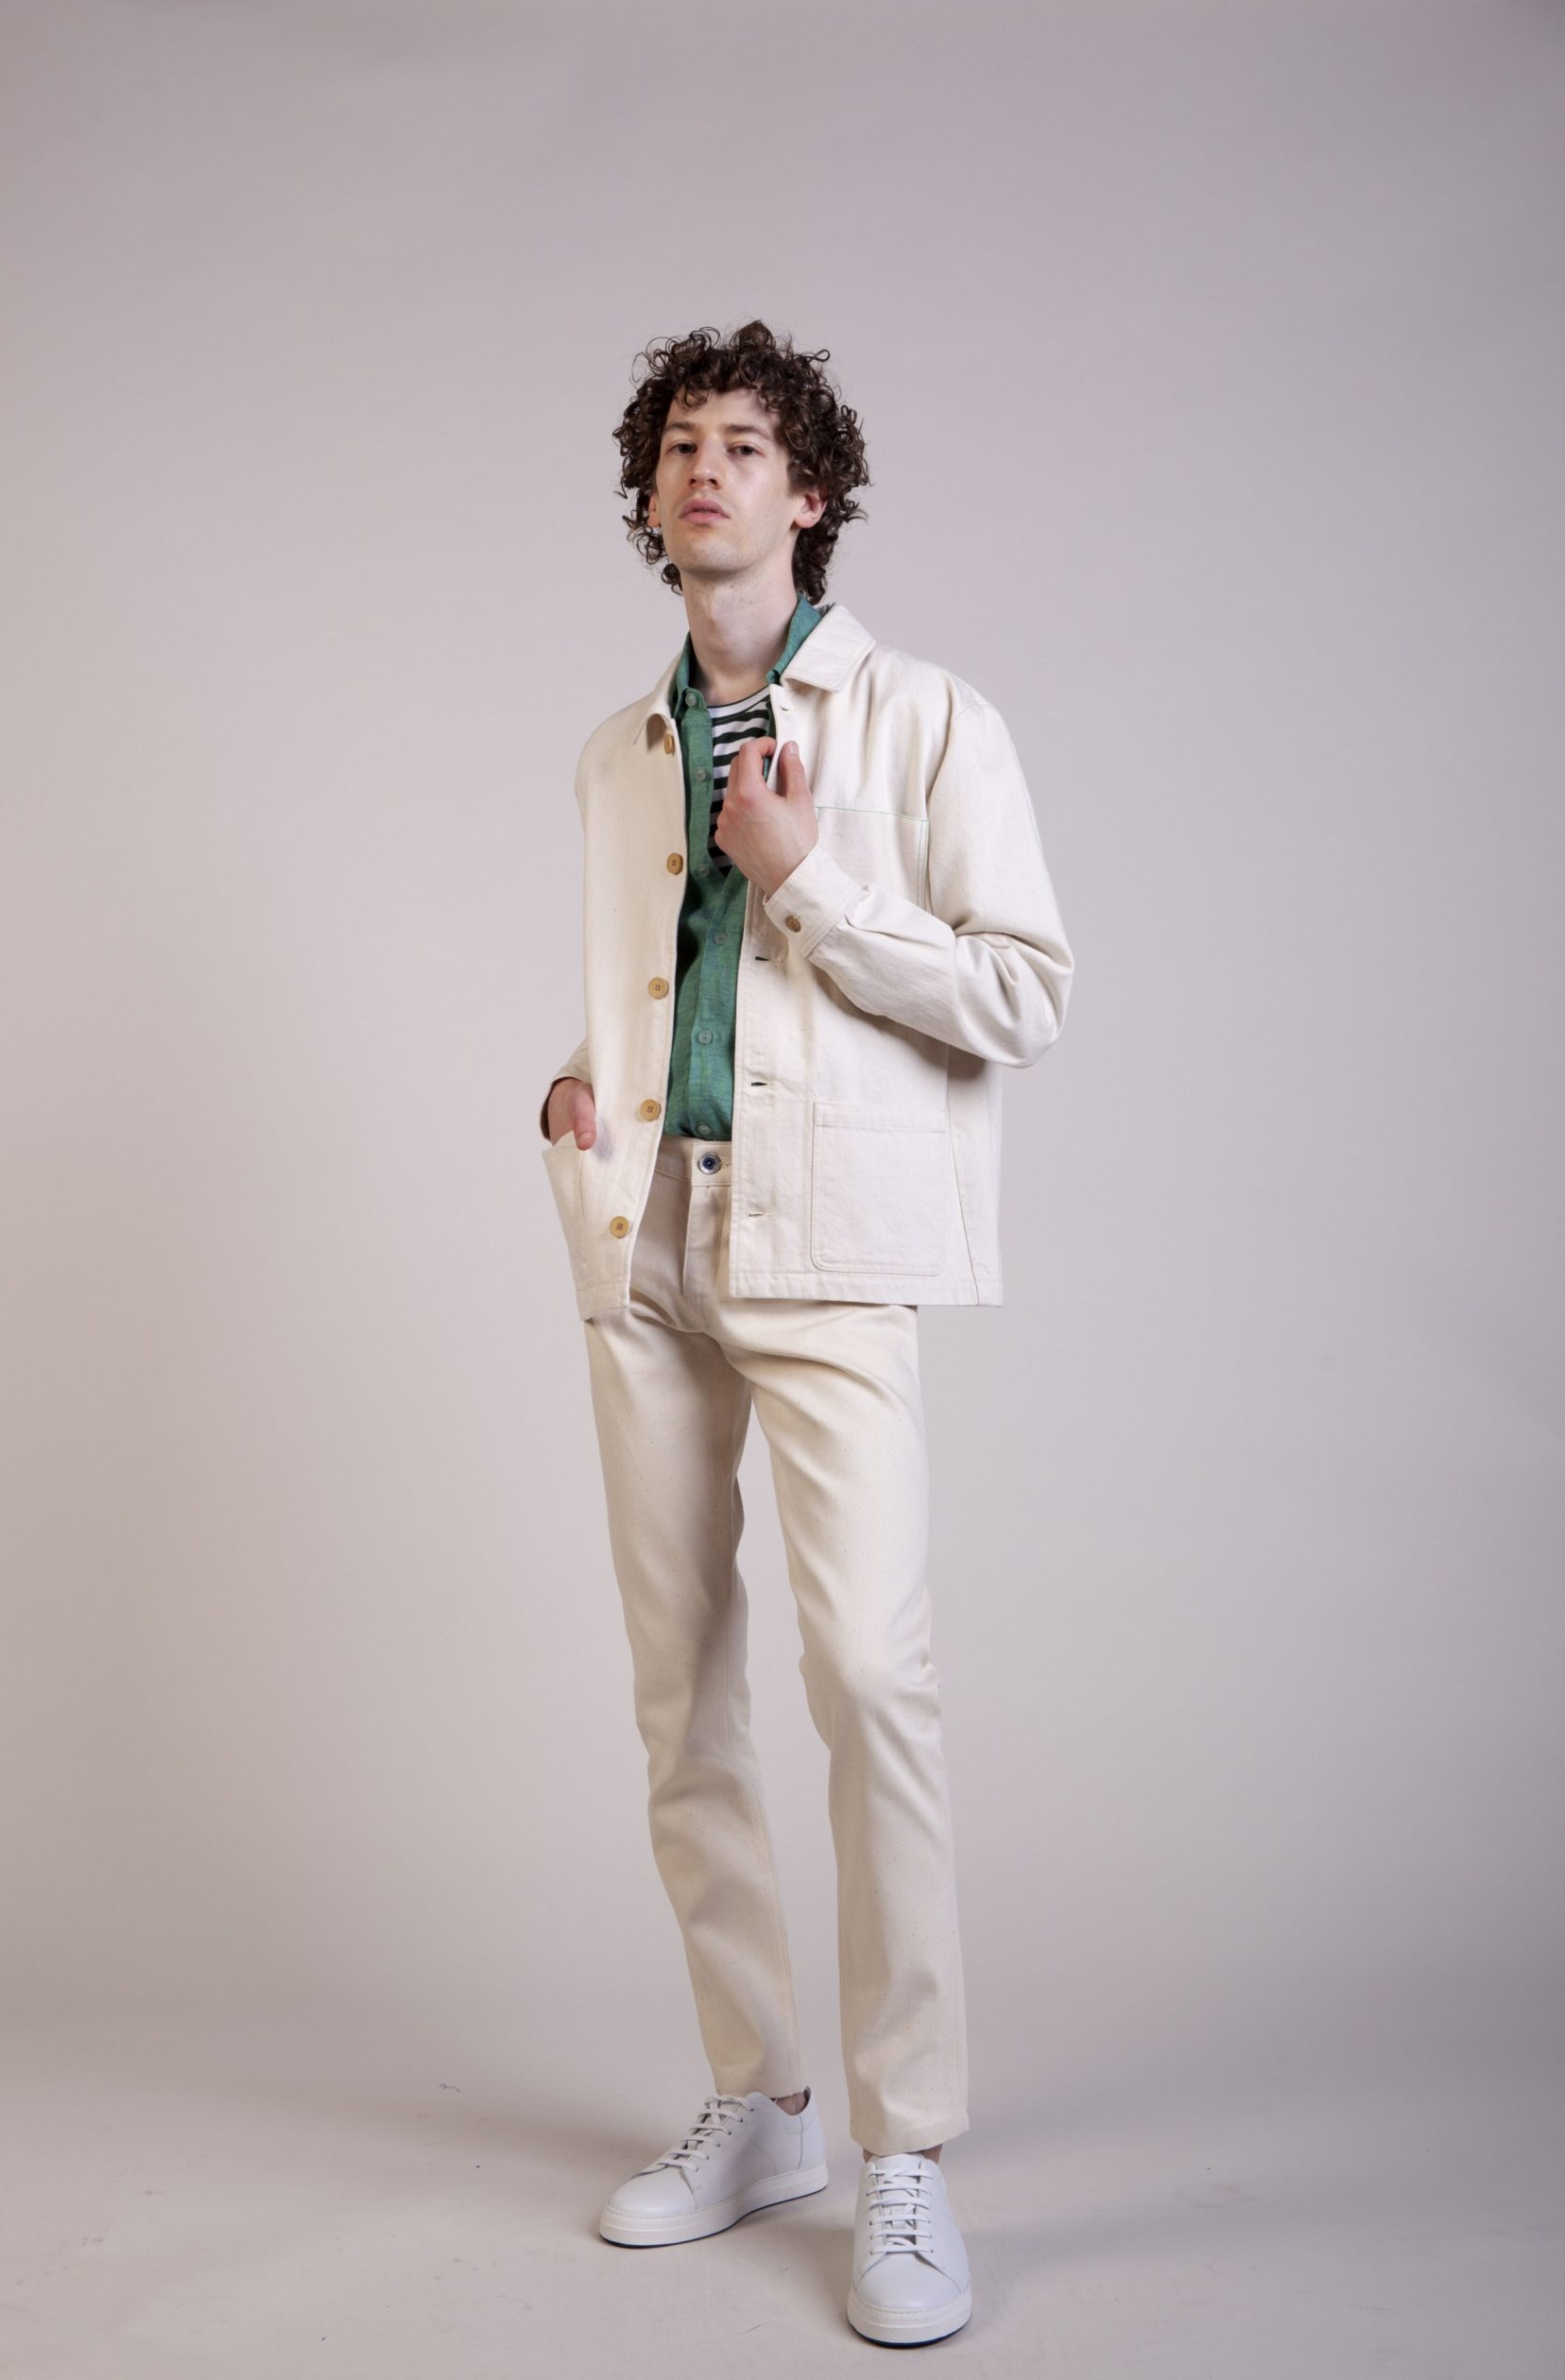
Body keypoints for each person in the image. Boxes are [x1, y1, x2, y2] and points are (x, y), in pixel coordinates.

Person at [536, 319, 1074, 2346]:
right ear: (649, 493)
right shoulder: (617, 750)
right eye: (682, 444)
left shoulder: (924, 722)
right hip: (647, 1233)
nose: (707, 470)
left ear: (810, 491)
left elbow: (1021, 992)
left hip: (833, 1242)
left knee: (870, 1677)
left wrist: (814, 879)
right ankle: (761, 2102)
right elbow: (657, 981)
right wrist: (581, 1086)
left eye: (746, 445)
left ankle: (903, 2145)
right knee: (679, 1694)